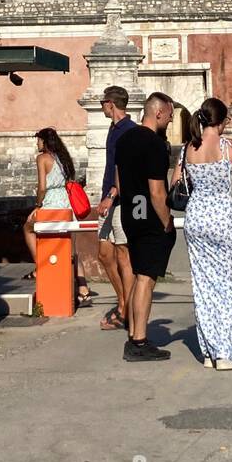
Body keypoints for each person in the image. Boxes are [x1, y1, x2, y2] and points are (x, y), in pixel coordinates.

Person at [170, 96, 232, 370]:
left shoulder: (187, 149)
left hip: (196, 218)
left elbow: (175, 182)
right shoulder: (231, 147)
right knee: (224, 285)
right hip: (221, 220)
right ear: (223, 121)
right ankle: (226, 352)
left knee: (203, 287)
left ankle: (209, 352)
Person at [114, 91, 176, 361]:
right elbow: (157, 192)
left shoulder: (125, 138)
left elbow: (118, 178)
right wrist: (167, 222)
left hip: (130, 214)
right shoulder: (154, 144)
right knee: (146, 279)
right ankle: (139, 340)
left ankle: (134, 336)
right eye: (170, 116)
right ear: (159, 112)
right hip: (150, 218)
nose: (171, 121)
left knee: (139, 274)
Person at [21, 128, 91, 306]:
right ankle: (83, 289)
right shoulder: (63, 158)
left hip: (51, 204)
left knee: (28, 228)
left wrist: (37, 206)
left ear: (44, 141)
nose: (37, 143)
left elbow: (42, 188)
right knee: (72, 249)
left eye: (38, 140)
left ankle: (41, 267)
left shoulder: (42, 159)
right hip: (66, 204)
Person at [94, 86, 136, 331]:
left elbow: (126, 169)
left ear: (110, 103)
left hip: (119, 201)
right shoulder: (113, 129)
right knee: (104, 254)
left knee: (122, 255)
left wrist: (112, 195)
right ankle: (123, 301)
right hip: (107, 199)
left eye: (102, 103)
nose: (101, 107)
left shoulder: (129, 131)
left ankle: (127, 309)